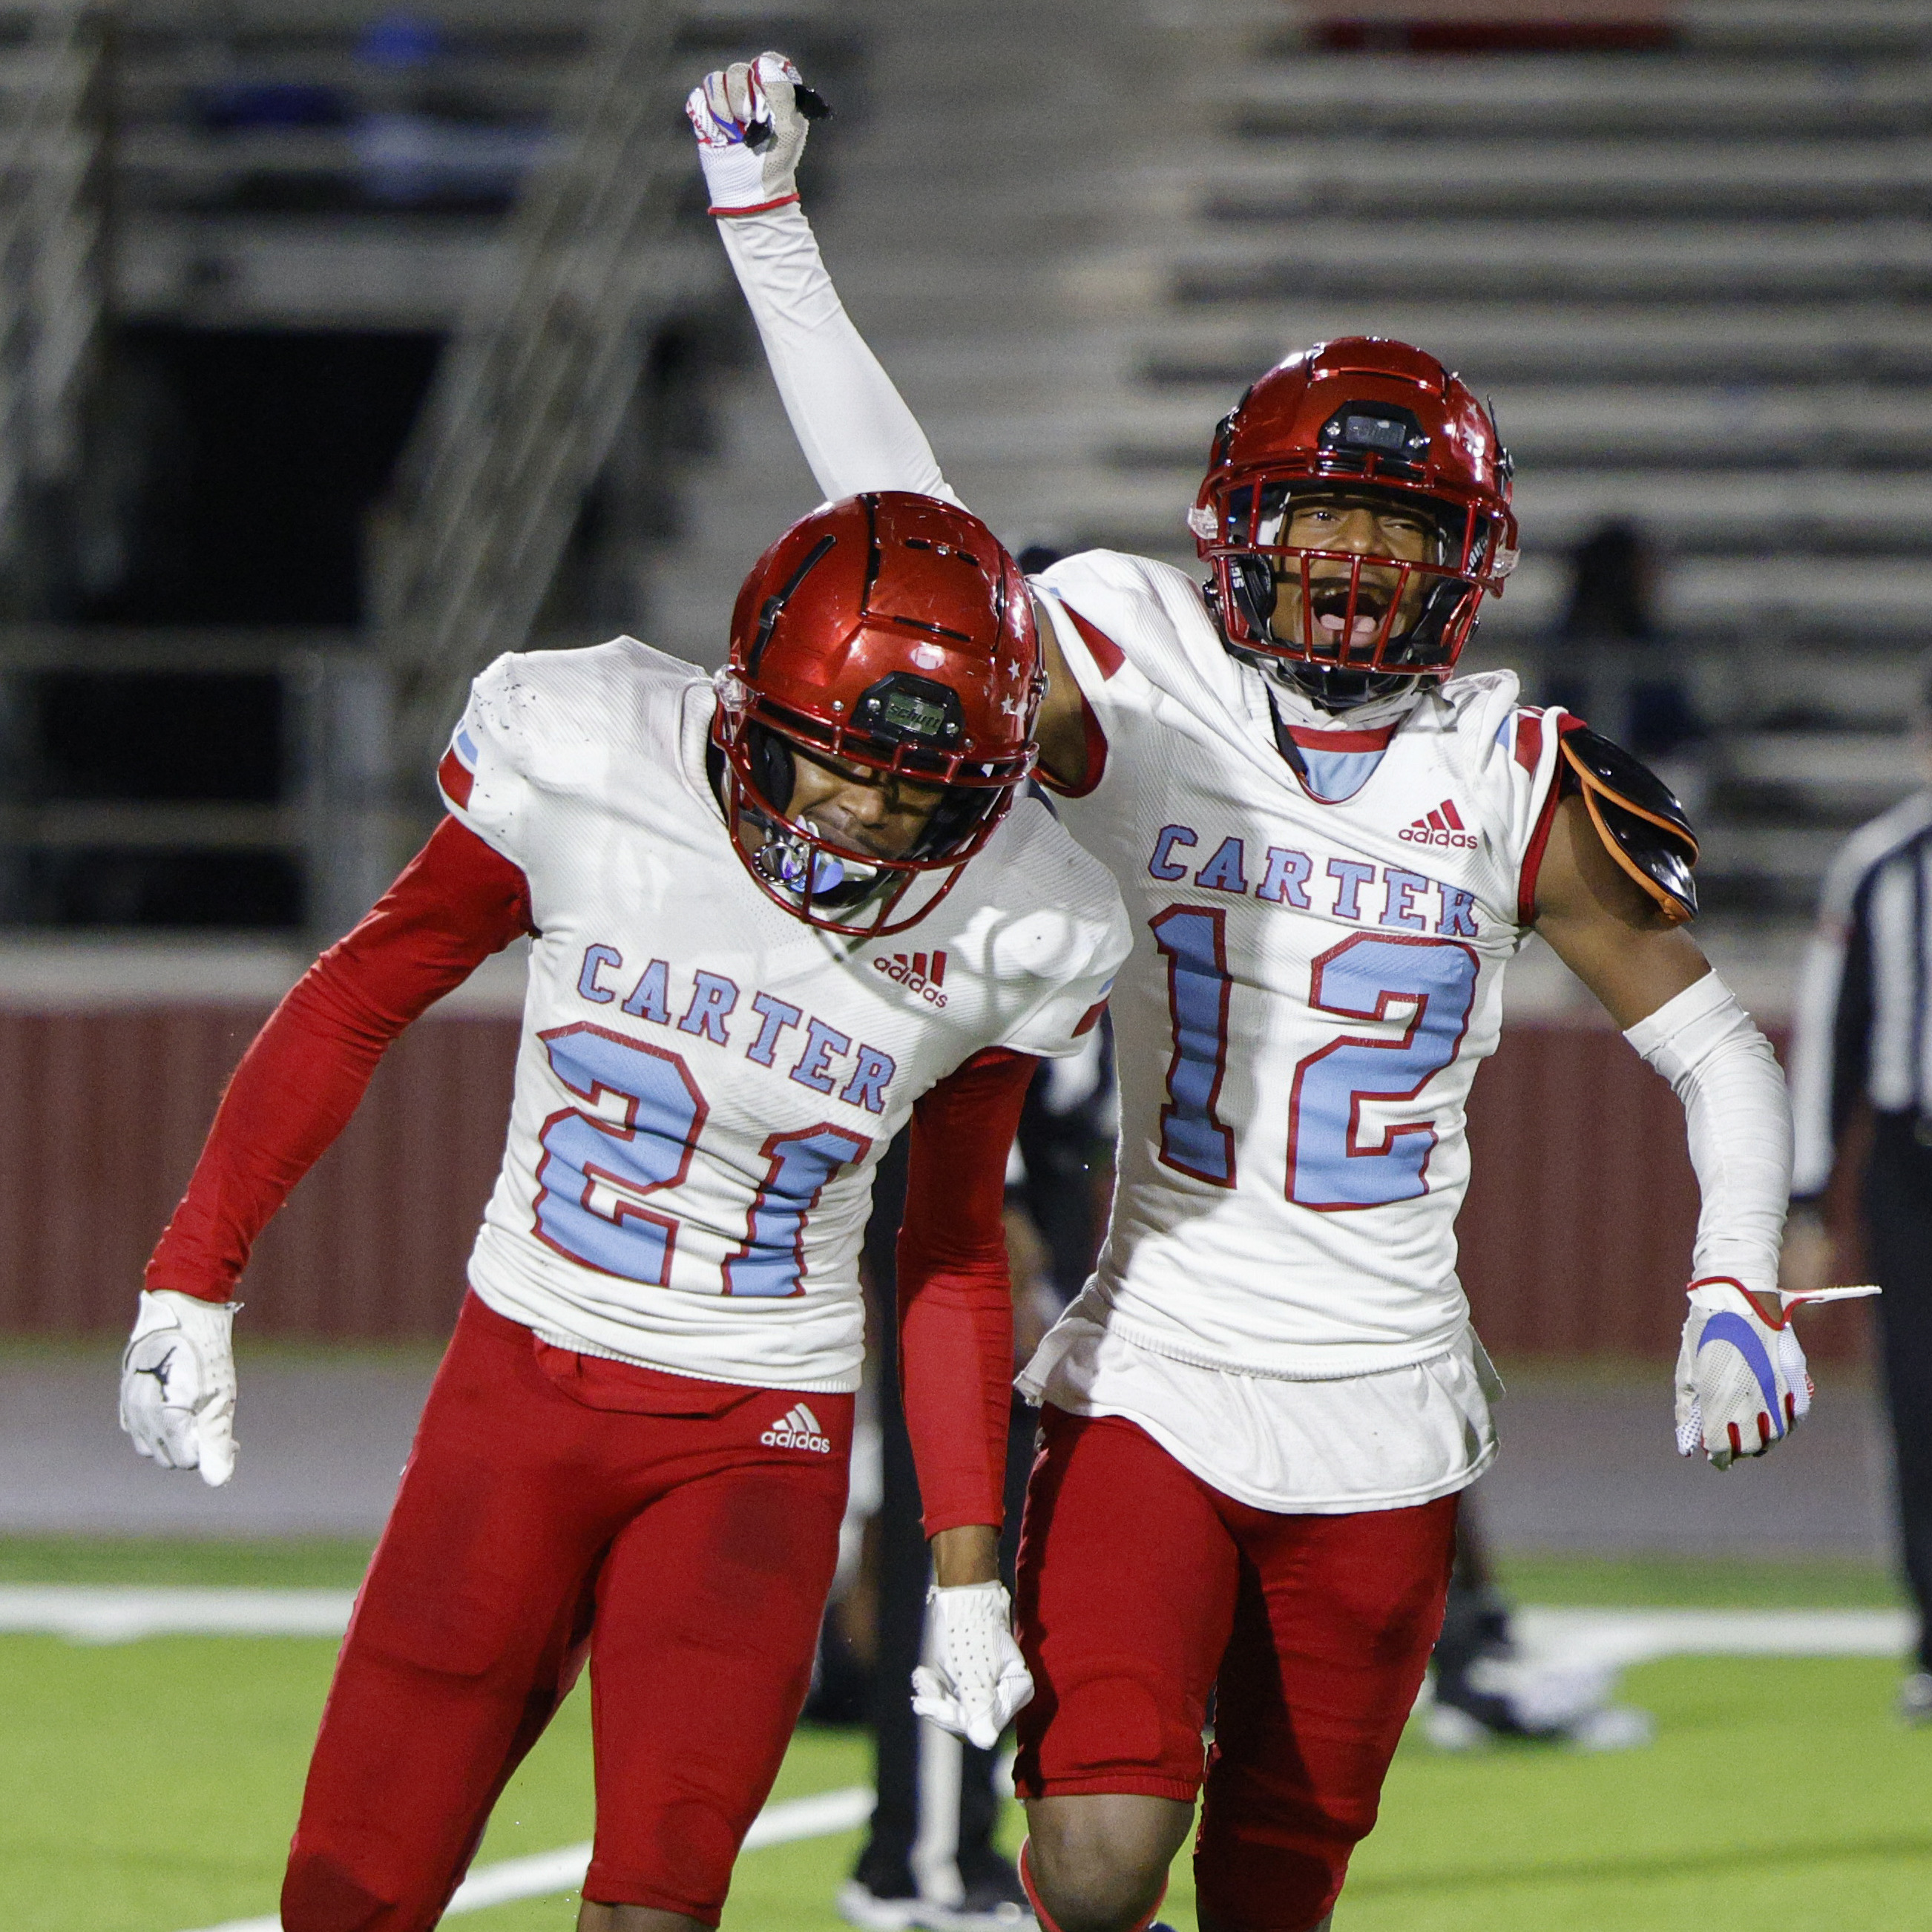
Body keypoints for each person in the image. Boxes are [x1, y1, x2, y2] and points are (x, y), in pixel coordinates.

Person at [689, 59, 1809, 1932]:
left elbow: (1717, 1048)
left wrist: (1735, 1276)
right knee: (1104, 1856)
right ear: (1239, 522)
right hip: (1158, 1367)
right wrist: (769, 231)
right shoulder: (1139, 668)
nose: (1359, 562)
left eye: (1398, 528)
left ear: (1470, 561)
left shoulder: (1513, 772)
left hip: (1388, 1404)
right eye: (1324, 516)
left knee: (1277, 1892)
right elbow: (917, 540)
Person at [117, 489, 1130, 1932]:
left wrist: (966, 1572)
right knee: (348, 1893)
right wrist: (191, 1274)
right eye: (839, 771)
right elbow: (363, 992)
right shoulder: (591, 751)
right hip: (519, 1390)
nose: (870, 823)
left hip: (757, 1431)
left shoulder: (1018, 920)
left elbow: (955, 1247)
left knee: (656, 1901)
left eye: (919, 797)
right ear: (746, 702)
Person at [1785, 656, 1932, 1727]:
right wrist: (1804, 1199)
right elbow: (1829, 1033)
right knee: (1921, 1409)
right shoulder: (1883, 866)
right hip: (1913, 1169)